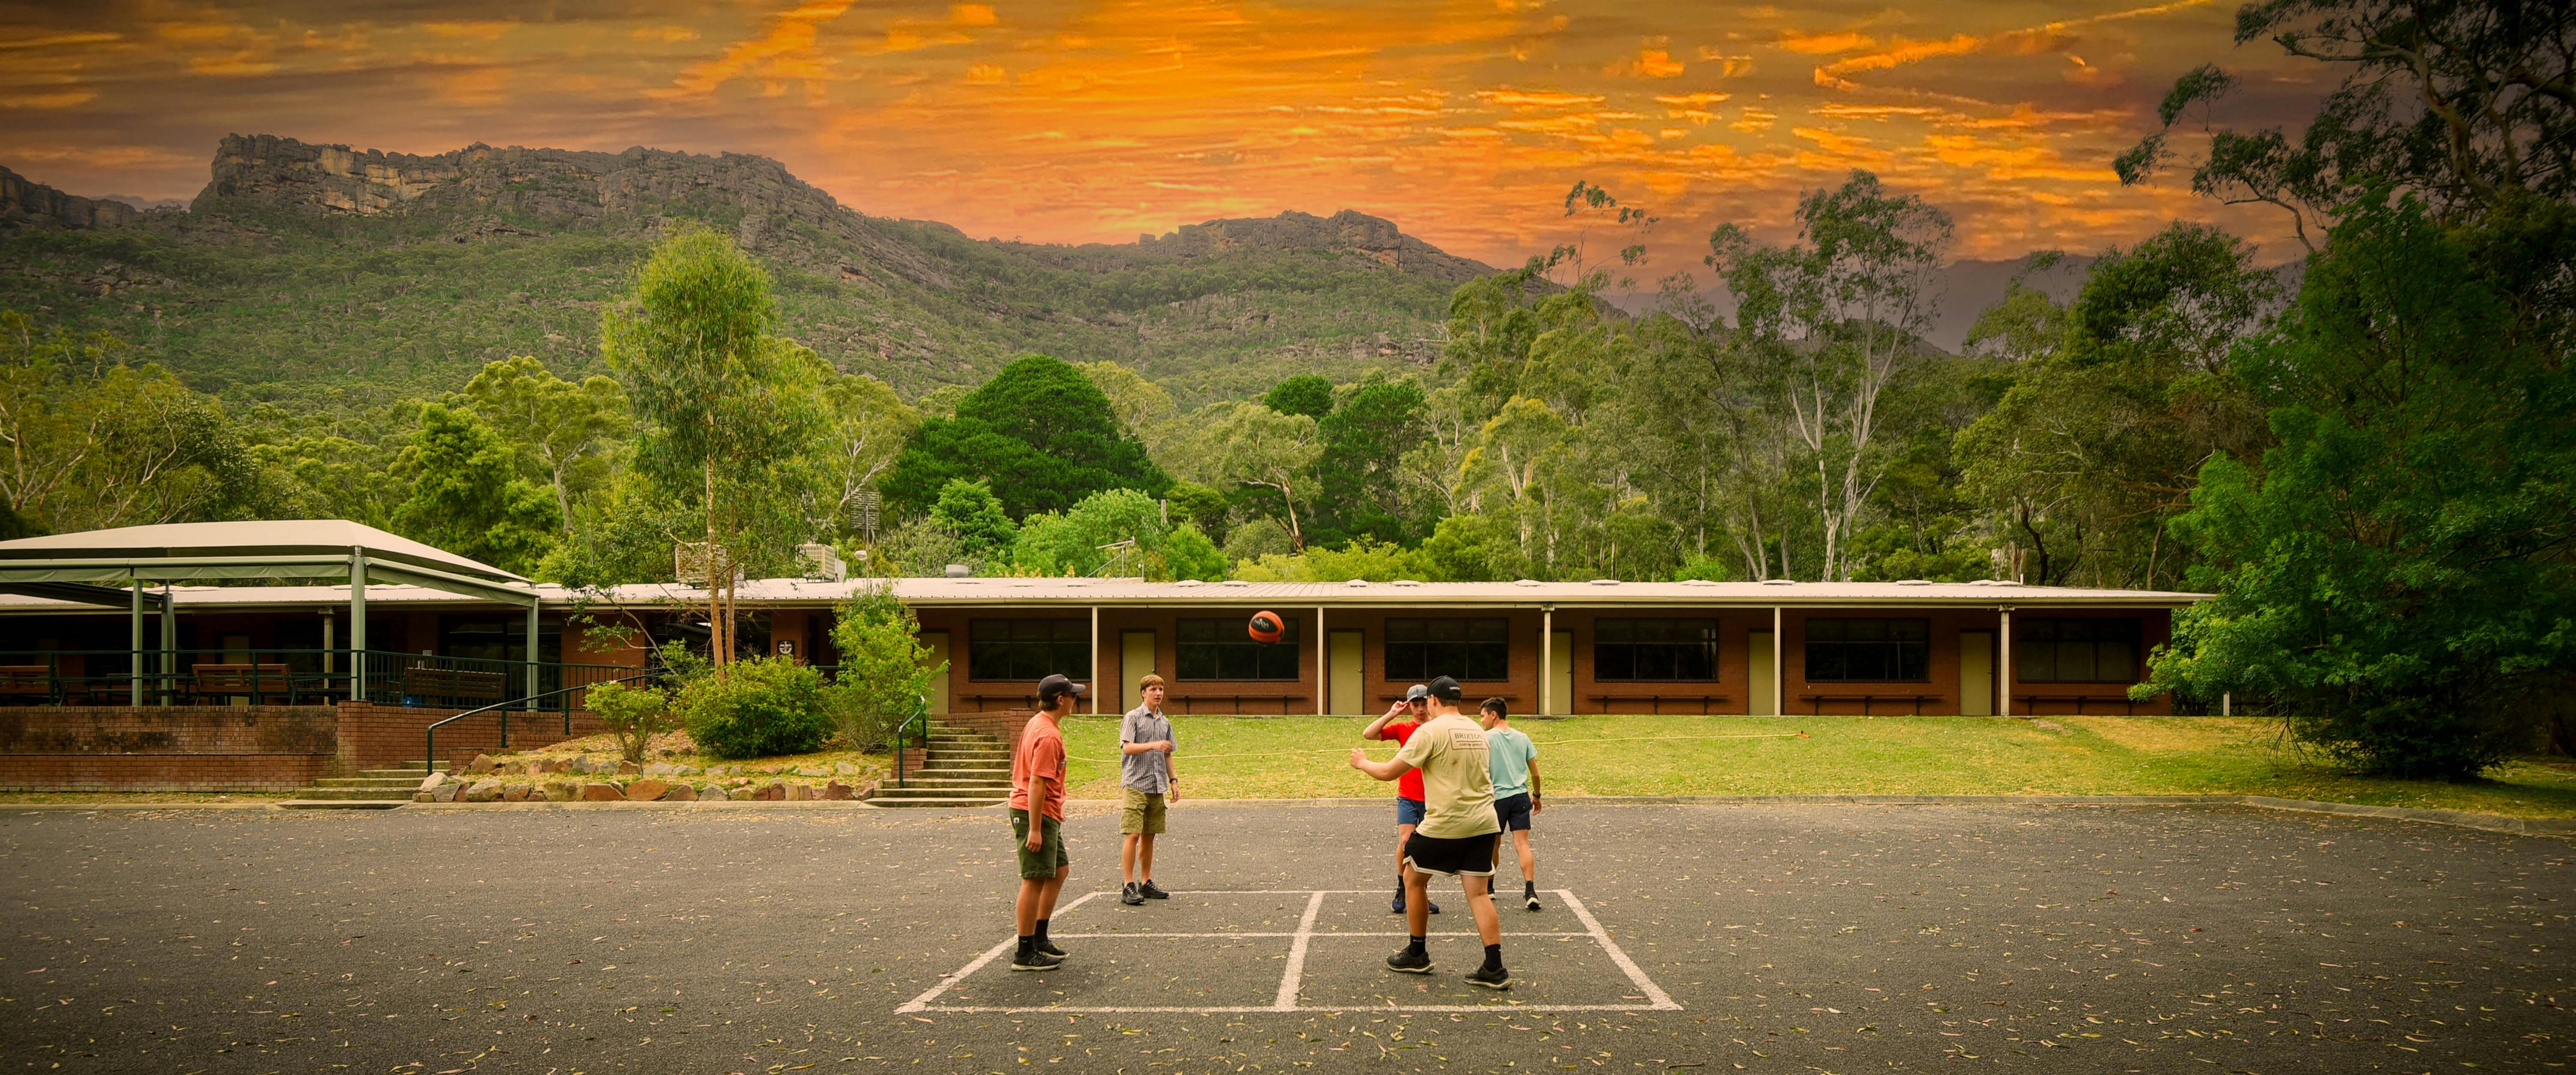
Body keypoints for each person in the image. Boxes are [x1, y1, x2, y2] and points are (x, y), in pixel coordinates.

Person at [1349, 675, 1509, 989]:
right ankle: (1494, 967)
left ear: (1433, 701)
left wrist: (1363, 763)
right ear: (1457, 701)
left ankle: (1417, 953)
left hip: (1448, 821)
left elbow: (1387, 773)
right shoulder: (1478, 730)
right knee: (1478, 893)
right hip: (1484, 822)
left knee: (1411, 877)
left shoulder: (1429, 731)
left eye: (1427, 703)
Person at [1007, 673, 1083, 971]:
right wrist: (1036, 828)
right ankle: (1025, 952)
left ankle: (1040, 937)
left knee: (1059, 871)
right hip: (1034, 811)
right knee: (1035, 878)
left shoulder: (1041, 722)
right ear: (1060, 700)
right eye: (1073, 696)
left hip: (1045, 811)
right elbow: (1037, 782)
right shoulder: (1049, 734)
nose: (1077, 700)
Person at [1360, 685, 1439, 916]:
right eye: (1416, 705)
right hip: (1408, 796)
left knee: (1425, 848)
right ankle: (1402, 888)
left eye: (1424, 704)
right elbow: (1369, 734)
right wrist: (1392, 713)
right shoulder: (1405, 728)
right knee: (1406, 842)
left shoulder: (1436, 729)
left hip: (1432, 798)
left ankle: (1421, 893)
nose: (1421, 709)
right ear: (1410, 707)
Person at [1118, 673, 1180, 906]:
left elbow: (1168, 754)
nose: (1158, 693)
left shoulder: (1165, 722)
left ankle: (1146, 882)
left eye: (1161, 689)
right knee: (1132, 834)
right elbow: (1127, 748)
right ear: (1144, 693)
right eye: (1153, 689)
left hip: (1157, 785)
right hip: (1135, 784)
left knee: (1149, 836)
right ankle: (1128, 885)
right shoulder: (1132, 717)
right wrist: (1154, 744)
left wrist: (1173, 781)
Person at [1479, 698, 1544, 912]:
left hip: (1496, 799)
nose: (1482, 721)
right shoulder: (1523, 738)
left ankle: (1489, 887)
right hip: (1520, 797)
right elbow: (1535, 773)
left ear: (1494, 715)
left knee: (1493, 844)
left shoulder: (1486, 739)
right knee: (1522, 844)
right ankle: (1530, 891)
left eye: (1483, 716)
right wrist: (1536, 795)